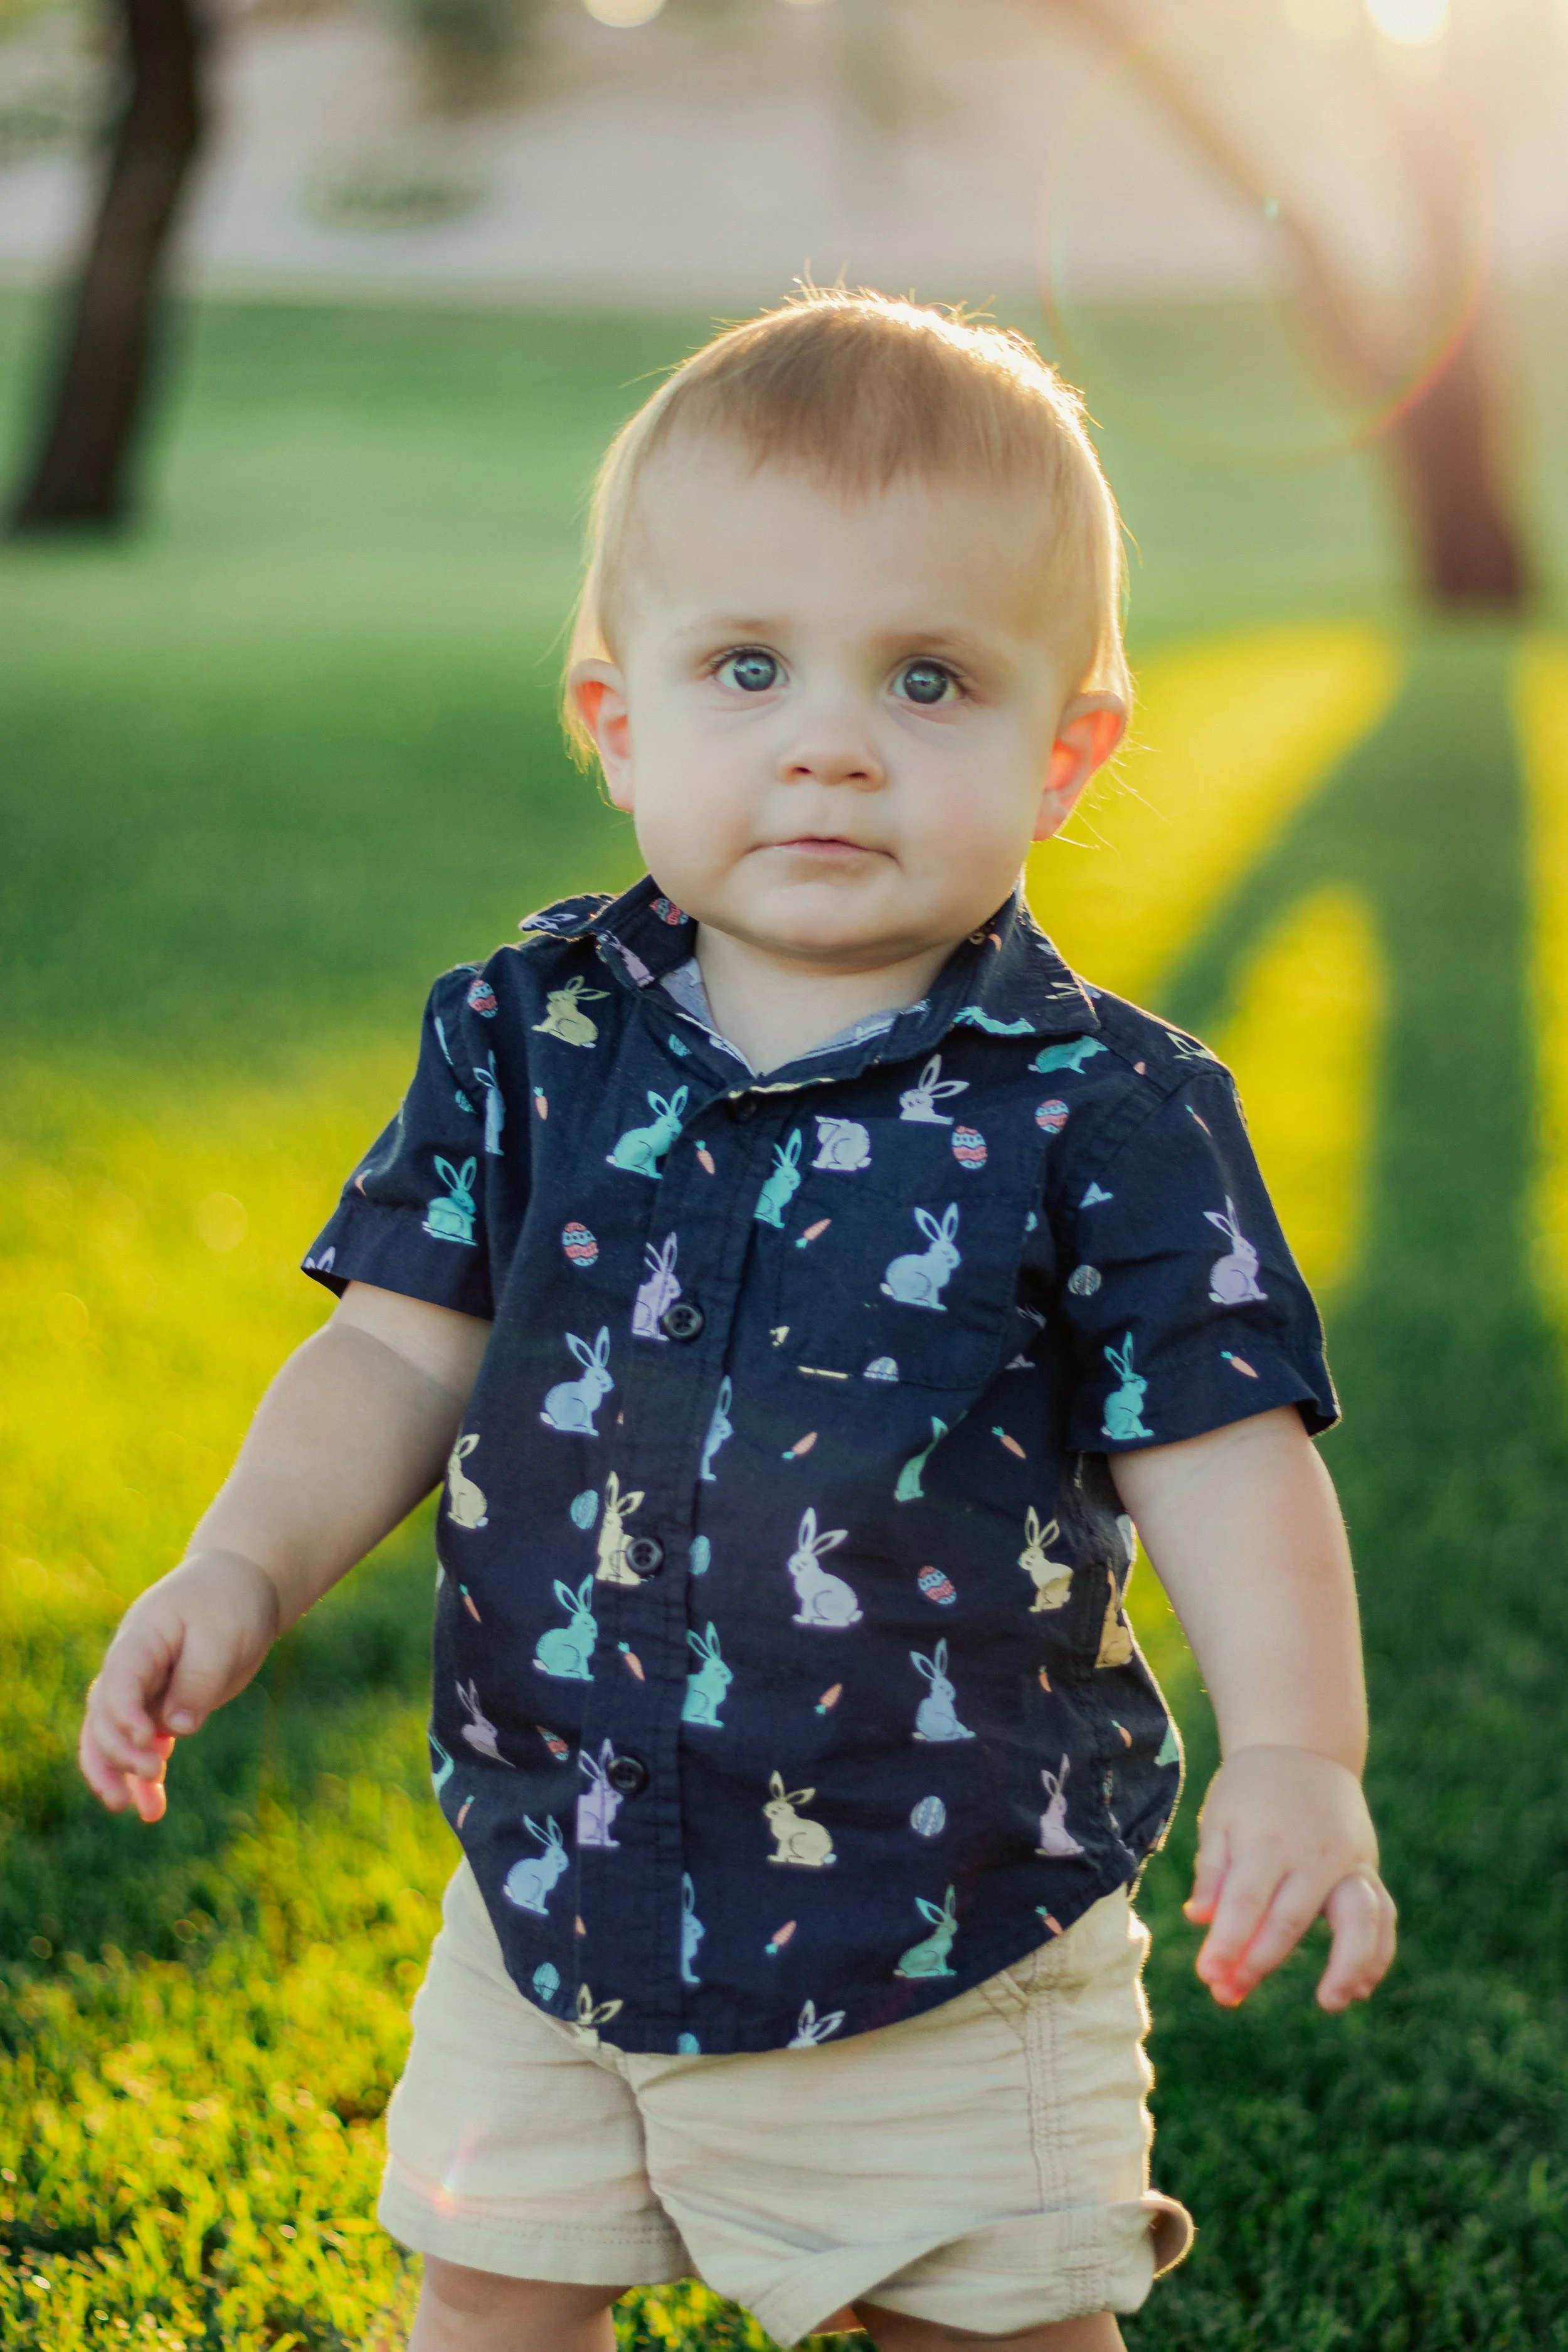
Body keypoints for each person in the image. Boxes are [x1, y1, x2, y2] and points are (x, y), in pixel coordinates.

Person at [78, 290, 1396, 2352]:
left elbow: (1222, 1445)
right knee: (489, 2298)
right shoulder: (529, 1039)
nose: (830, 737)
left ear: (1067, 753)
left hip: (945, 1913)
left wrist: (1300, 1749)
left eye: (929, 678)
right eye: (750, 666)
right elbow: (396, 1347)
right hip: (559, 1876)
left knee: (985, 2322)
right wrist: (244, 1559)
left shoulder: (1101, 1112)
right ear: (618, 717)